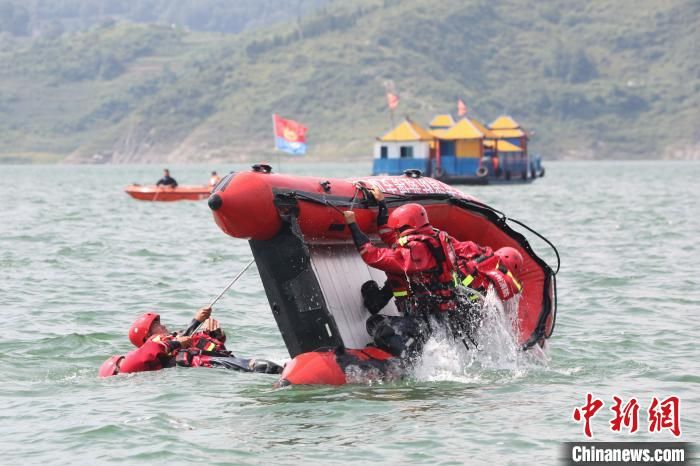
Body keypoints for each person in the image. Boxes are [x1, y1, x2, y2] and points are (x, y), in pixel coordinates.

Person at [99, 307, 283, 377]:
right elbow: (156, 350)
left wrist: (214, 334)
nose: (163, 326)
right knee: (261, 367)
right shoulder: (155, 349)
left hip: (216, 364)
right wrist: (195, 321)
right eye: (157, 325)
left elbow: (211, 346)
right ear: (146, 337)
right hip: (206, 367)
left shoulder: (175, 340)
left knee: (262, 366)